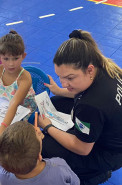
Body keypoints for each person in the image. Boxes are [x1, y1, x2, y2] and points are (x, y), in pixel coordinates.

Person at [39, 29, 122, 185]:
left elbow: (82, 149)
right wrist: (58, 91)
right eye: (60, 77)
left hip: (107, 154)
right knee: (56, 101)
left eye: (69, 78)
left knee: (44, 146)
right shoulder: (104, 66)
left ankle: (93, 175)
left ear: (89, 69)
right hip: (111, 131)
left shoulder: (91, 105)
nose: (63, 83)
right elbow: (83, 90)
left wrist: (49, 127)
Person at [0, 121, 80, 185]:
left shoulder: (3, 175)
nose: (39, 132)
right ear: (39, 156)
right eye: (38, 134)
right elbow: (76, 182)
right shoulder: (58, 167)